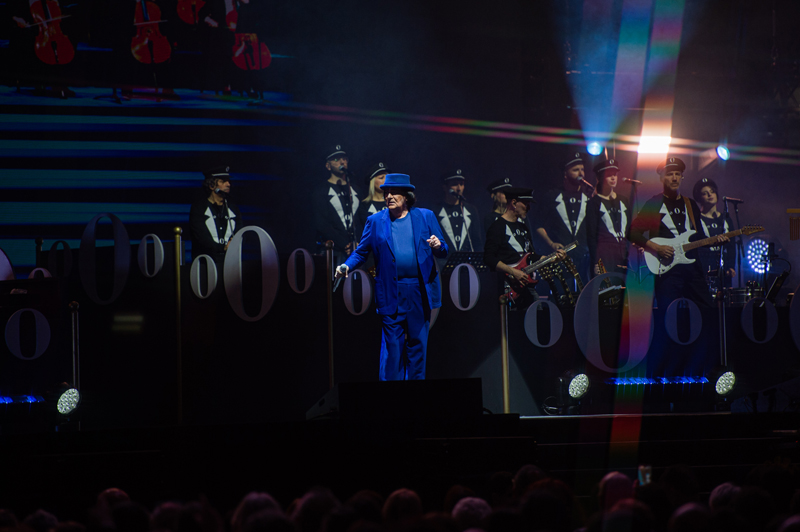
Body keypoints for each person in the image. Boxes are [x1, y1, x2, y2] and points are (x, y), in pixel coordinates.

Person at [335, 173, 448, 381]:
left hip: (419, 292)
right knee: (392, 351)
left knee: (417, 349)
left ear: (406, 195)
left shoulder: (425, 216)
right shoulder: (375, 221)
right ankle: (390, 398)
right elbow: (361, 251)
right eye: (386, 192)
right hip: (391, 292)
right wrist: (346, 265)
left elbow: (444, 250)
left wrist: (438, 245)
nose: (388, 196)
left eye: (393, 192)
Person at [629, 157, 728, 309]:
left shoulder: (690, 204)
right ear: (662, 178)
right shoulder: (654, 203)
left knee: (706, 309)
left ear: (682, 177)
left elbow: (699, 236)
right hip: (667, 271)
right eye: (669, 174)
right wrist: (657, 248)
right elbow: (632, 232)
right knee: (669, 313)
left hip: (692, 269)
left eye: (677, 174)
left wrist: (715, 241)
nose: (674, 178)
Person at [484, 187, 565, 304]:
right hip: (508, 287)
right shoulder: (497, 227)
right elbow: (489, 258)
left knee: (537, 312)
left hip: (526, 286)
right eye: (526, 204)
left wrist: (552, 258)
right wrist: (513, 272)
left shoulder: (523, 227)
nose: (529, 208)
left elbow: (531, 256)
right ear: (514, 203)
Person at [534, 152, 593, 284]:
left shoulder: (589, 198)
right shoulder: (552, 196)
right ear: (565, 173)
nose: (581, 173)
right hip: (561, 258)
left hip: (584, 259)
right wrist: (551, 243)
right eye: (576, 170)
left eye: (582, 169)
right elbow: (538, 225)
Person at [312, 145, 359, 265]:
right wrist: (344, 244)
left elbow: (361, 218)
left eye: (344, 159)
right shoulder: (321, 191)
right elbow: (322, 224)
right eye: (336, 159)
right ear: (328, 166)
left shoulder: (356, 190)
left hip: (357, 249)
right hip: (335, 251)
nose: (342, 162)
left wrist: (358, 243)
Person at [586, 158, 631, 276]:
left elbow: (629, 229)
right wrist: (595, 261)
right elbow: (591, 236)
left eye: (615, 174)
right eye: (608, 175)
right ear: (600, 177)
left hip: (624, 254)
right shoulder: (593, 203)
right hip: (605, 255)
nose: (613, 178)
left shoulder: (623, 200)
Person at [189, 166, 242, 261]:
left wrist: (233, 243)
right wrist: (222, 248)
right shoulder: (199, 208)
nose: (228, 184)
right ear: (211, 185)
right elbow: (201, 237)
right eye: (223, 181)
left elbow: (240, 231)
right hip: (206, 262)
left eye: (228, 181)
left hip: (230, 262)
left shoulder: (233, 208)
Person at [692, 177, 736, 286]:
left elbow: (732, 246)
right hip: (704, 269)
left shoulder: (726, 219)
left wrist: (731, 266)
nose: (710, 195)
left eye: (712, 191)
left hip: (724, 270)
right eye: (705, 193)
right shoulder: (696, 219)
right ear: (699, 198)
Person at [435, 169, 483, 252]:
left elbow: (477, 241)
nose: (459, 188)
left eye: (461, 184)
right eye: (454, 184)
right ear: (445, 187)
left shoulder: (471, 210)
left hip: (467, 259)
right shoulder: (436, 210)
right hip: (445, 258)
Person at [355, 162, 388, 241]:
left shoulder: (393, 203)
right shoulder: (364, 206)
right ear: (373, 182)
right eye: (381, 178)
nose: (385, 180)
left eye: (387, 177)